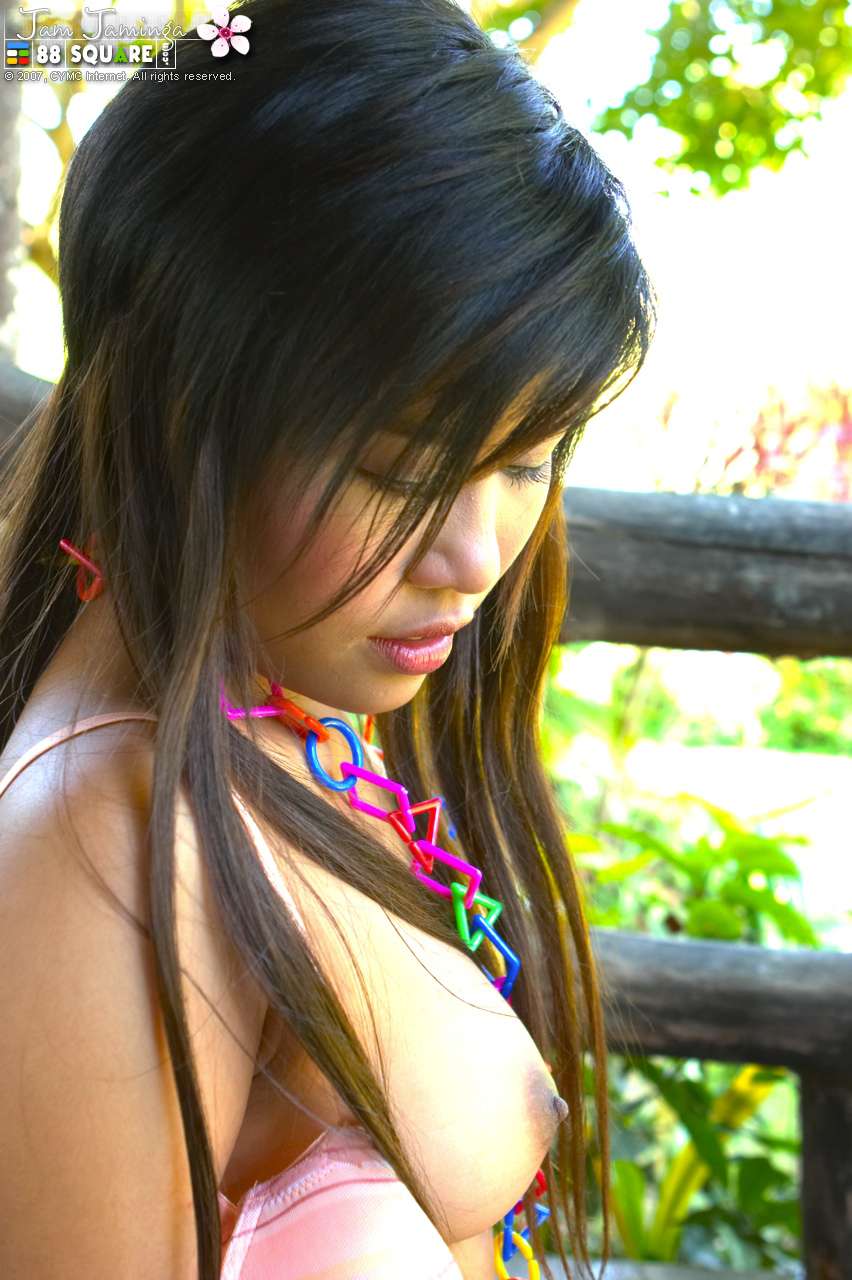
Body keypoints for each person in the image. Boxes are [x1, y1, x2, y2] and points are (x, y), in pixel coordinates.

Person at [0, 0, 656, 1275]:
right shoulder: (101, 844)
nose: (475, 558)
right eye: (400, 469)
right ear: (180, 405)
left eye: (528, 464)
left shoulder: (281, 706)